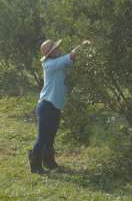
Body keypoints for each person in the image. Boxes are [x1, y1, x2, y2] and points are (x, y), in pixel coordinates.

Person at [28, 39, 91, 174]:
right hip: (46, 106)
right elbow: (72, 56)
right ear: (51, 53)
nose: (59, 49)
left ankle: (49, 162)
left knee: (50, 137)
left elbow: (71, 61)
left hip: (55, 106)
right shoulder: (50, 64)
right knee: (42, 138)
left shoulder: (58, 63)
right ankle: (35, 165)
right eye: (56, 49)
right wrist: (83, 45)